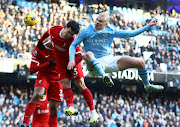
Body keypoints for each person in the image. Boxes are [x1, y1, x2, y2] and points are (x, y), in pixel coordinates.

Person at [67, 12, 164, 93]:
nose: (97, 22)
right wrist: (71, 60)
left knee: (140, 62)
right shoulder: (86, 30)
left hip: (109, 60)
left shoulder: (111, 31)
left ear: (105, 24)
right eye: (96, 20)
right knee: (88, 54)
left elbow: (131, 34)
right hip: (94, 65)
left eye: (100, 21)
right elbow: (73, 45)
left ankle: (147, 86)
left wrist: (148, 26)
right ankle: (104, 76)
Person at [37, 20, 99, 124]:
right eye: (69, 32)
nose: (69, 35)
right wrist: (40, 42)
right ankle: (71, 107)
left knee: (80, 84)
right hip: (61, 64)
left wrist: (72, 63)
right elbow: (47, 33)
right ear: (65, 27)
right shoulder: (54, 30)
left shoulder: (73, 40)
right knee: (65, 84)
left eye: (72, 34)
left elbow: (79, 56)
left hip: (73, 61)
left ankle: (93, 112)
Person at [21, 41, 63, 127]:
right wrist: (47, 64)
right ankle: (25, 122)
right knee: (38, 94)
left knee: (54, 108)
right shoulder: (40, 49)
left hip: (56, 78)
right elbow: (32, 69)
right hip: (44, 75)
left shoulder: (63, 48)